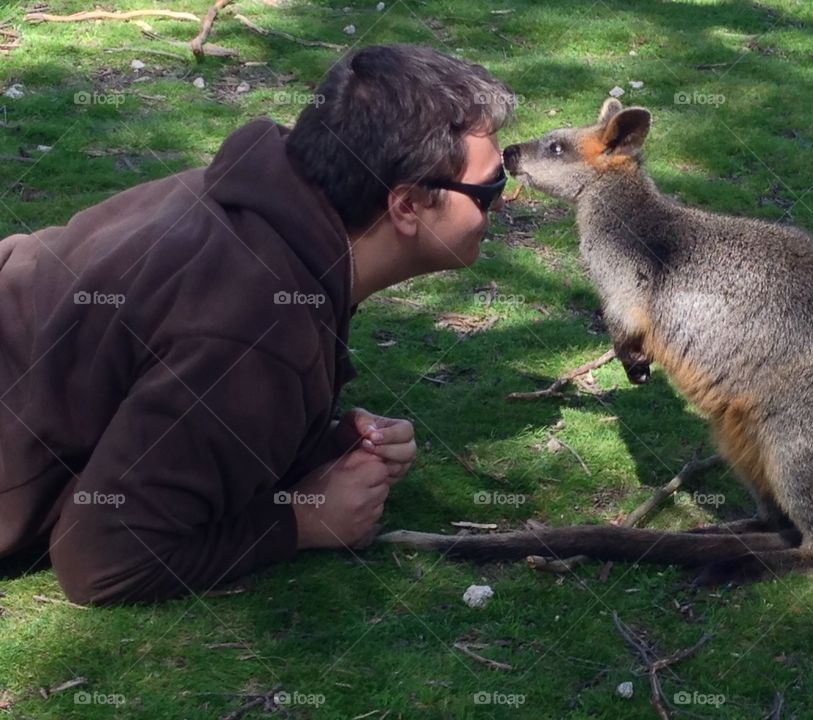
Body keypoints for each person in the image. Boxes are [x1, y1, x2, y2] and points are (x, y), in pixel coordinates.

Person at [0, 44, 514, 605]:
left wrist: (316, 446)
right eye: (491, 190)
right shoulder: (256, 326)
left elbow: (175, 396)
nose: (501, 205)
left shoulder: (254, 200)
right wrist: (301, 523)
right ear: (408, 206)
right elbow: (100, 560)